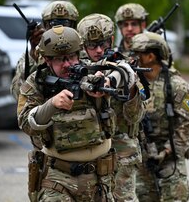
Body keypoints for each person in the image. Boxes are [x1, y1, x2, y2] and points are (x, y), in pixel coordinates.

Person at [18, 25, 122, 201]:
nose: (67, 64)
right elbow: (25, 123)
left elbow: (126, 72)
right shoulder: (36, 83)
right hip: (59, 178)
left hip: (101, 178)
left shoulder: (93, 71)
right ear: (47, 60)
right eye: (60, 59)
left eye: (72, 56)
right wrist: (52, 104)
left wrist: (110, 81)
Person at [77, 13, 145, 202]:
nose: (99, 50)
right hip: (86, 155)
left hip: (120, 154)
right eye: (92, 45)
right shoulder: (74, 69)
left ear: (112, 40)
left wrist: (129, 85)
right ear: (83, 45)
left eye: (104, 43)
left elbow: (135, 117)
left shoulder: (125, 66)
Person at [130, 32, 189, 202]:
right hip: (144, 161)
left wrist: (167, 151)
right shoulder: (134, 84)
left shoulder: (177, 87)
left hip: (170, 160)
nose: (132, 58)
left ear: (151, 56)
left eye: (137, 54)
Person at [10, 0, 79, 102]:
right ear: (45, 26)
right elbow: (18, 94)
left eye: (65, 24)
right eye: (53, 24)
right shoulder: (33, 55)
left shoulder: (83, 52)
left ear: (74, 26)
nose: (59, 30)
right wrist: (34, 54)